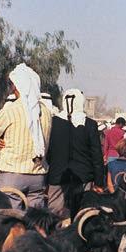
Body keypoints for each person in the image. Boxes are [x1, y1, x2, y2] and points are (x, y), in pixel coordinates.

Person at [0, 63, 52, 209]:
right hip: (38, 175)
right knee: (34, 222)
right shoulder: (46, 112)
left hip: (12, 174)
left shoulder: (10, 110)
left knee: (10, 221)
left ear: (15, 86)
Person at [47, 88, 104, 218]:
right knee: (81, 213)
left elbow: (49, 151)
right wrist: (99, 182)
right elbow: (96, 155)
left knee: (55, 213)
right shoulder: (90, 124)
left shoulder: (53, 122)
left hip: (58, 176)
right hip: (83, 176)